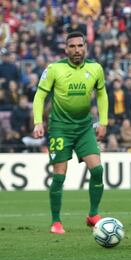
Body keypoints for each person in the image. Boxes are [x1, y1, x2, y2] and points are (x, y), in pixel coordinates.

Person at [32, 31, 108, 234]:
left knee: (98, 170)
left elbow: (102, 94)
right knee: (59, 176)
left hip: (84, 128)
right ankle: (56, 222)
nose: (76, 50)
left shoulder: (95, 68)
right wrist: (38, 122)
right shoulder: (54, 69)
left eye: (80, 46)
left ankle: (93, 215)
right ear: (66, 49)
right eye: (72, 46)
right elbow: (40, 96)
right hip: (60, 128)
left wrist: (104, 122)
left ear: (85, 47)